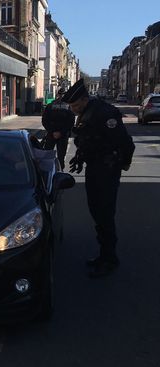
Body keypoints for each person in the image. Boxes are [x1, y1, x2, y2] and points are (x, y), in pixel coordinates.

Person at [63, 78, 135, 278]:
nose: (74, 110)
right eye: (72, 107)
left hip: (107, 170)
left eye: (76, 105)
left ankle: (109, 259)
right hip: (95, 168)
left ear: (85, 99)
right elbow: (87, 139)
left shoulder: (104, 113)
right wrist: (80, 156)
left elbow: (126, 142)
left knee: (104, 214)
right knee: (96, 211)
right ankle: (104, 255)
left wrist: (124, 163)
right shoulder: (87, 113)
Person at [41, 87, 75, 170]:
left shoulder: (50, 106)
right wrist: (61, 132)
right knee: (61, 156)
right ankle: (60, 173)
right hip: (63, 135)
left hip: (52, 134)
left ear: (58, 94)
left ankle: (47, 172)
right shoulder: (68, 107)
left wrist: (52, 131)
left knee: (48, 155)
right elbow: (71, 122)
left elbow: (45, 120)